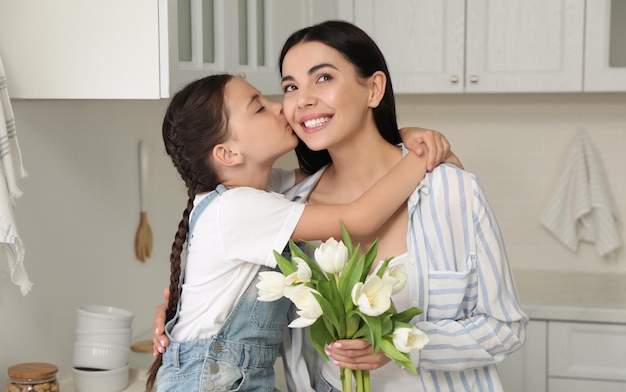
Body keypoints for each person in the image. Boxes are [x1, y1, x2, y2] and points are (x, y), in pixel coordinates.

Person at [154, 19, 525, 392]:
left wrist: (402, 344)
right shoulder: (287, 202)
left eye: (324, 78)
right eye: (289, 87)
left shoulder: (449, 191)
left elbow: (505, 329)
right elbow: (359, 217)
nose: (297, 103)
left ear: (374, 88)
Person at [145, 73, 455, 392]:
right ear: (228, 154)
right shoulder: (238, 208)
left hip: (229, 376)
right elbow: (360, 217)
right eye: (259, 108)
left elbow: (348, 166)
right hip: (209, 381)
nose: (280, 107)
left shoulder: (262, 190)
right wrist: (421, 155)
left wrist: (401, 138)